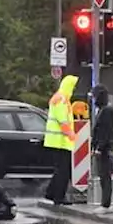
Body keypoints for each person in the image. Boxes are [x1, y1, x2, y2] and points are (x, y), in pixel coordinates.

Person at [44, 75, 79, 205]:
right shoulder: (61, 100)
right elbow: (63, 121)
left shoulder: (61, 99)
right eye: (73, 87)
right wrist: (71, 135)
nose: (73, 90)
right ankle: (58, 196)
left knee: (61, 169)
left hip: (59, 141)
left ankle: (51, 193)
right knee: (63, 170)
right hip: (60, 141)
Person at [91, 84, 113, 209]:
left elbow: (105, 132)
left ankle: (105, 203)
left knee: (105, 175)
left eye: (95, 96)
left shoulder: (106, 111)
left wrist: (99, 148)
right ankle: (105, 202)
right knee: (103, 175)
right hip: (103, 147)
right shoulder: (103, 110)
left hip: (104, 149)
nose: (93, 99)